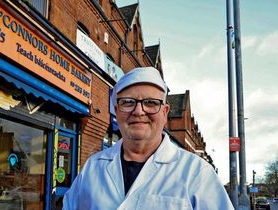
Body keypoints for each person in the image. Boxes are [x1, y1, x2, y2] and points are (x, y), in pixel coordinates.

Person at [63, 67, 234, 210]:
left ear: (165, 112)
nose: (138, 111)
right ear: (116, 110)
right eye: (128, 102)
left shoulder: (197, 174)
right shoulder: (92, 168)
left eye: (151, 103)